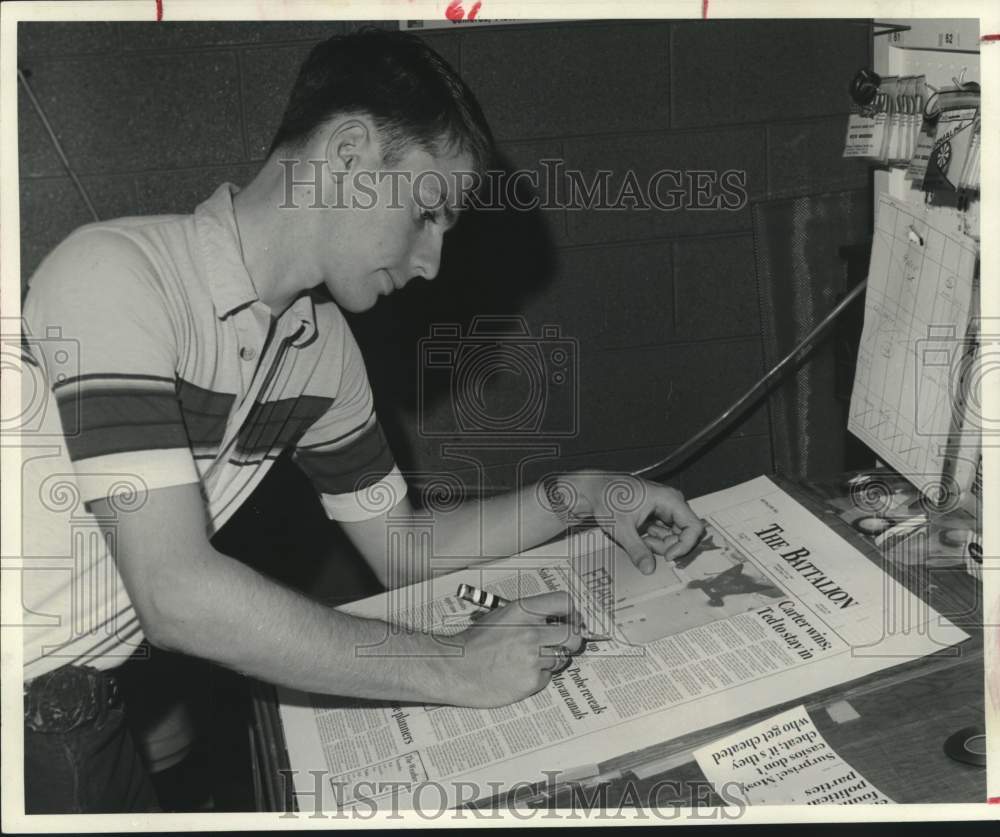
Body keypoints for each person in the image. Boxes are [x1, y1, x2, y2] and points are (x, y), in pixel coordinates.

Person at [19, 27, 704, 813]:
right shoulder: (116, 274)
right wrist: (452, 666)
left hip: (77, 698)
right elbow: (175, 591)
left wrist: (582, 493)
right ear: (347, 154)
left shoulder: (320, 347)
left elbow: (406, 553)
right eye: (427, 212)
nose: (432, 262)